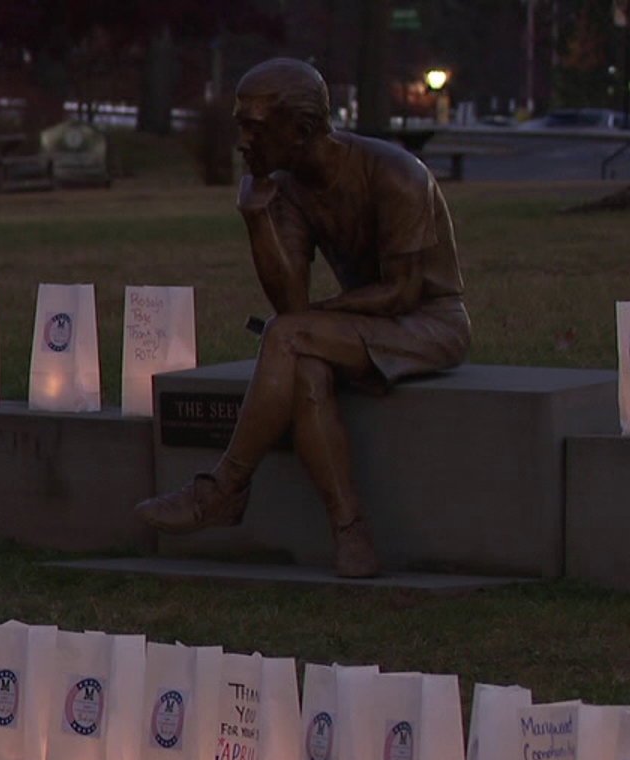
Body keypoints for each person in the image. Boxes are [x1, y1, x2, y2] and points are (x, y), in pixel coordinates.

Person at [133, 58, 470, 578]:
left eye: (255, 127)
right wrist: (256, 220)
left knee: (291, 339)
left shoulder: (397, 175)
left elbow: (403, 292)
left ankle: (224, 487)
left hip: (428, 323)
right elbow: (290, 303)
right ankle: (351, 531)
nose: (242, 140)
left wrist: (314, 317)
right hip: (356, 323)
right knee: (303, 362)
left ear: (303, 129)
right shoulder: (286, 184)